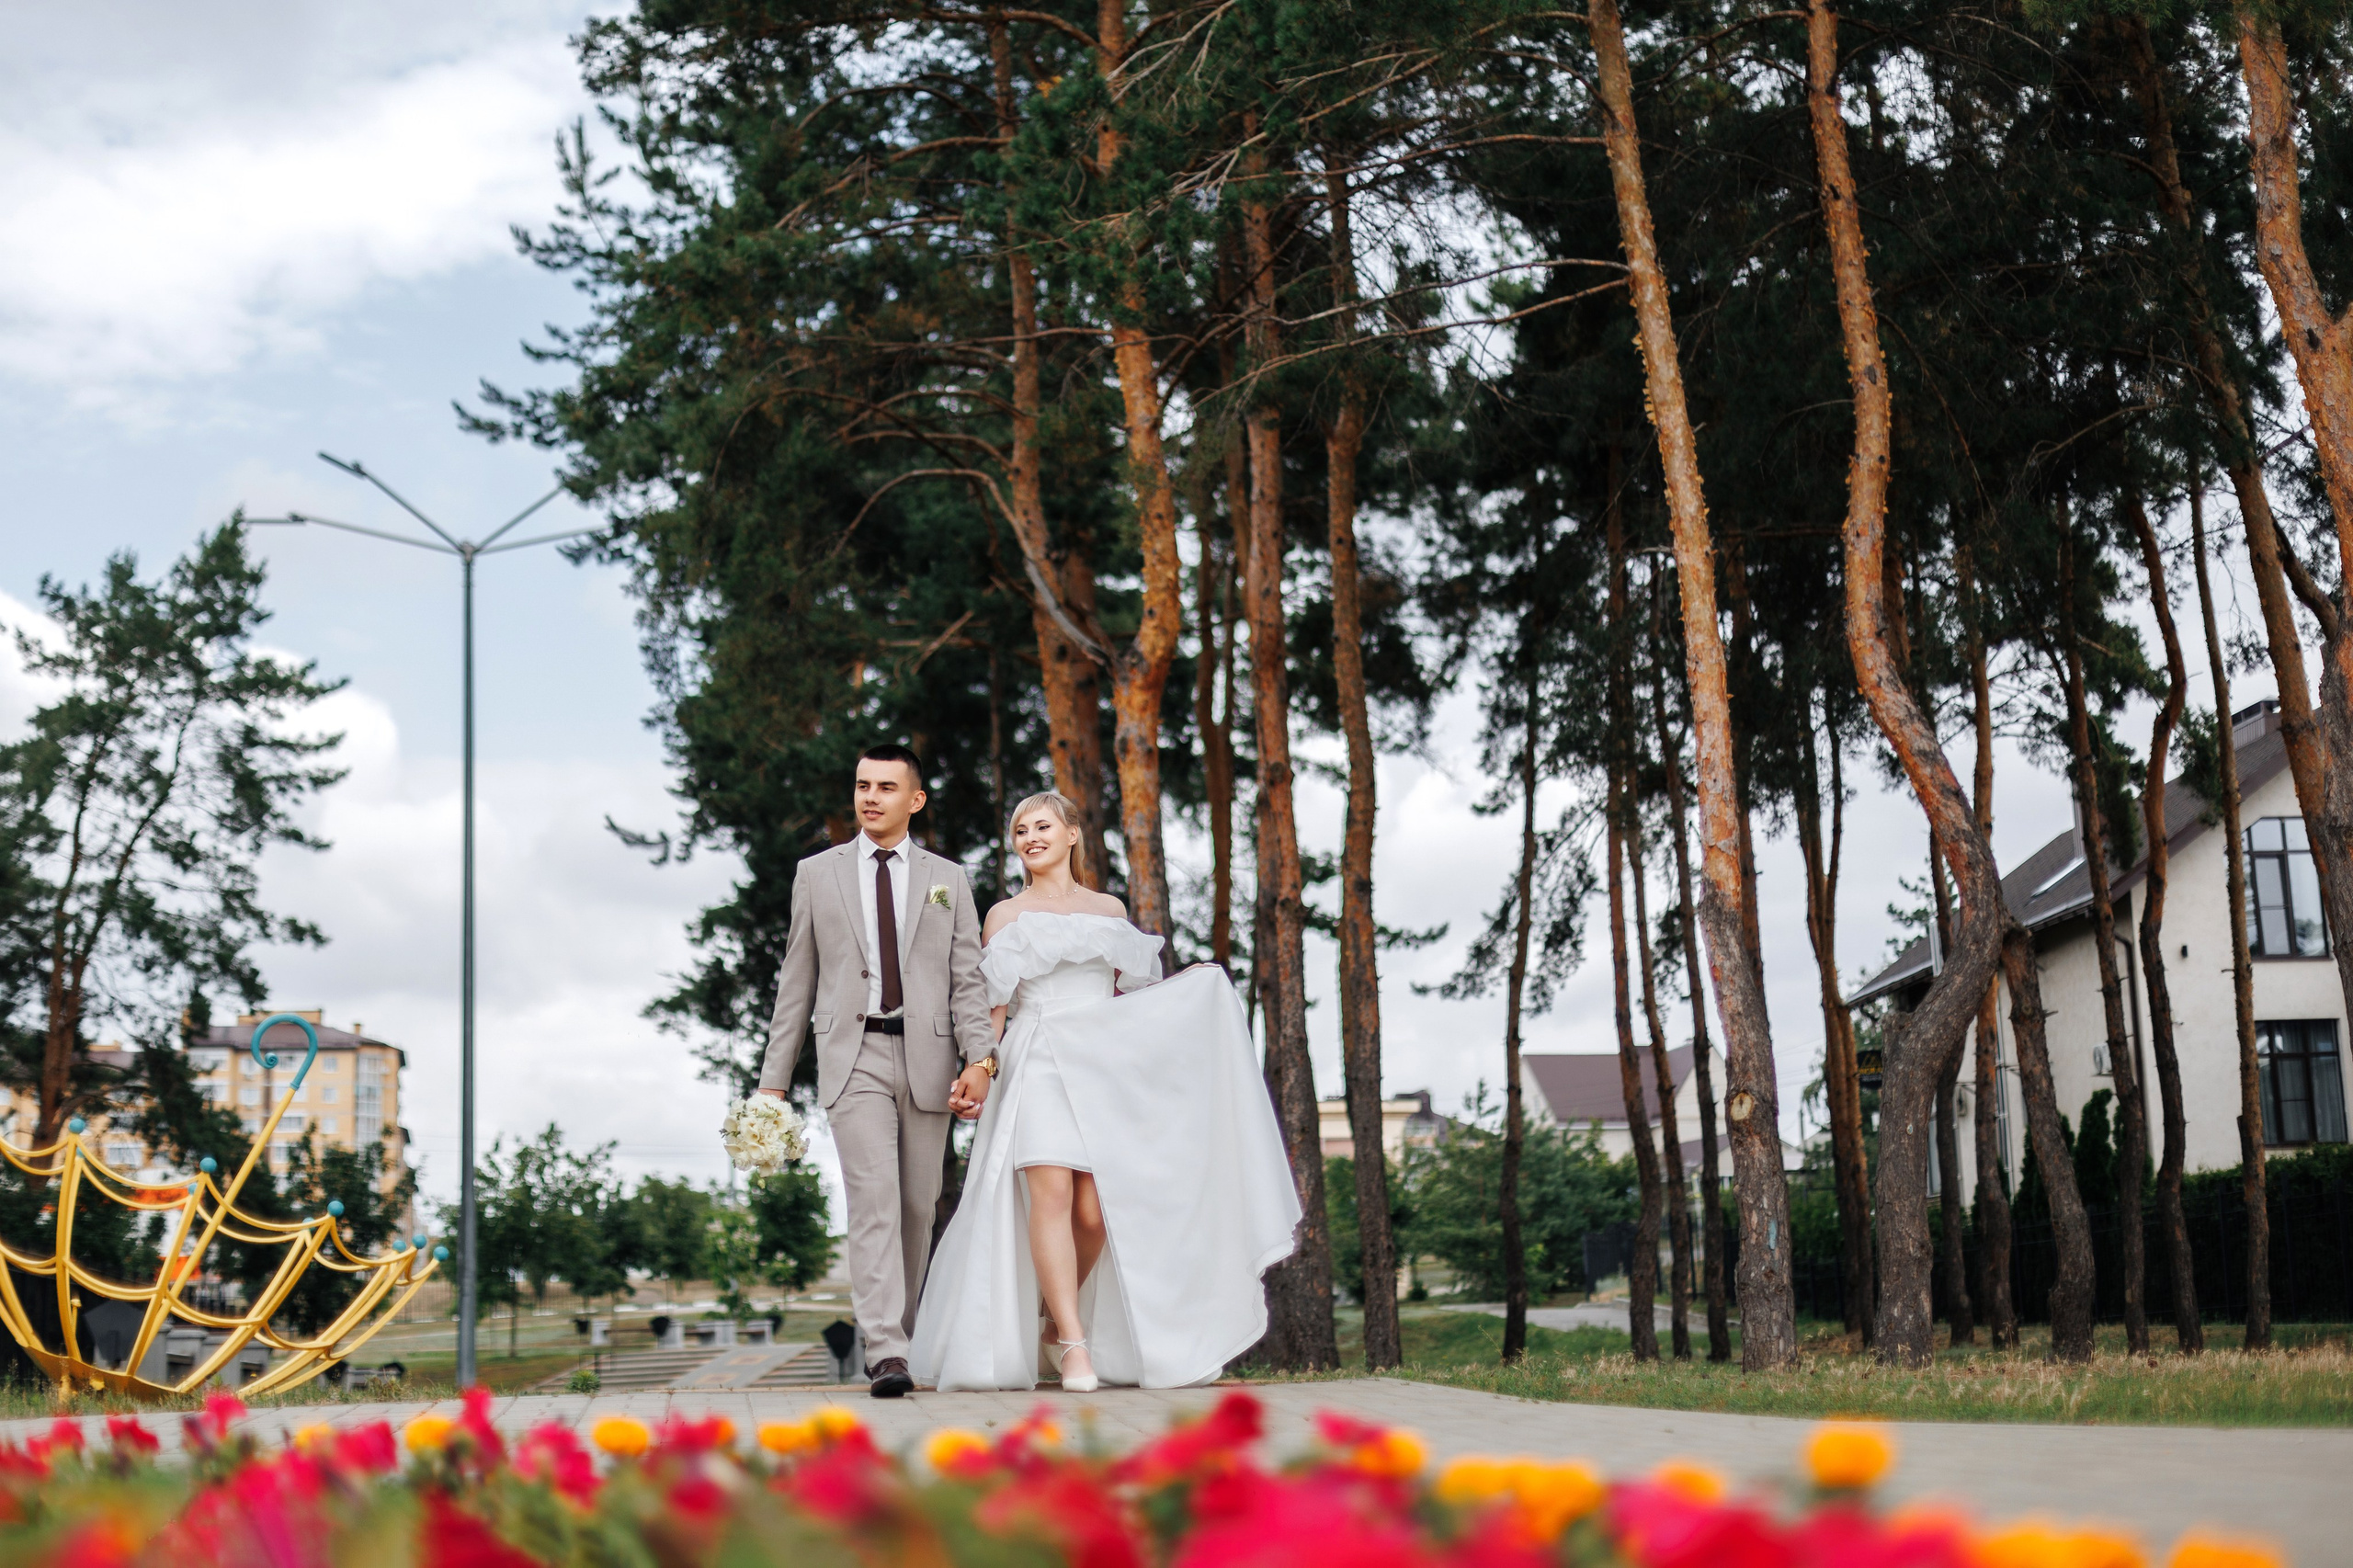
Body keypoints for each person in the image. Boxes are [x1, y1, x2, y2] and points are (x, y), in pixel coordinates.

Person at [910, 790, 1302, 1392]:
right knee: (1051, 1198)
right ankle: (1073, 1345)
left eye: (1042, 826)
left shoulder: (1109, 910)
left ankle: (1048, 1318)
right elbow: (993, 1012)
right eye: (1020, 831)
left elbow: (1130, 1006)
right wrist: (978, 1068)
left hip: (1099, 1072)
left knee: (1094, 1215)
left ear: (1072, 834)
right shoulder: (1006, 916)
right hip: (1037, 1060)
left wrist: (1191, 987)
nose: (1030, 838)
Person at [756, 744, 996, 1398]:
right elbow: (796, 980)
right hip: (851, 1056)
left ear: (915, 799)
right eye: (863, 785)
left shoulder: (949, 879)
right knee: (873, 1202)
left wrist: (980, 1059)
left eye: (886, 787)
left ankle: (905, 1342)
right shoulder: (817, 874)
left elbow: (967, 979)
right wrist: (774, 1081)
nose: (870, 797)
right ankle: (885, 1350)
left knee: (917, 1207)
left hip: (929, 1059)